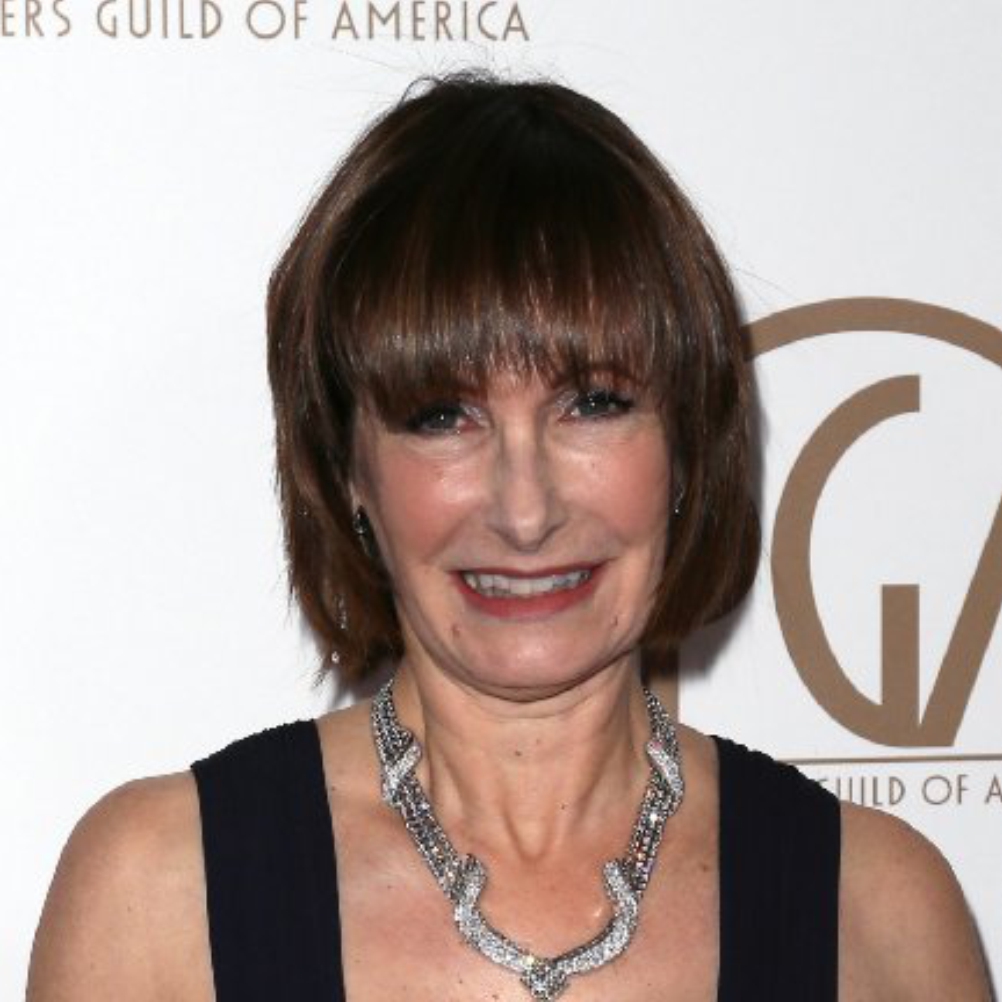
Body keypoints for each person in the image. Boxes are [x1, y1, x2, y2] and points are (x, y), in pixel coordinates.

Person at [28, 72, 991, 1002]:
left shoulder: (876, 910)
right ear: (346, 468)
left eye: (594, 403)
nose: (525, 511)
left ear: (688, 443)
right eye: (442, 416)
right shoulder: (159, 897)